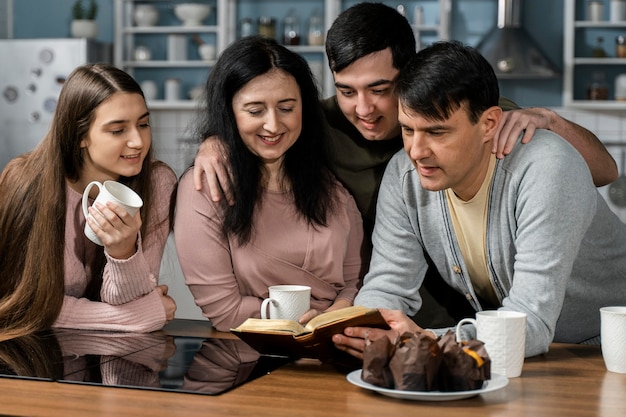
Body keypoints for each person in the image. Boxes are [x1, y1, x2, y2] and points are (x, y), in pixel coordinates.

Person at [191, 3, 617, 326]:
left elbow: (599, 173)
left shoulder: (470, 114)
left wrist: (551, 122)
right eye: (347, 91)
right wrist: (216, 141)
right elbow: (263, 125)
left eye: (381, 89)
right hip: (405, 317)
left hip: (481, 321)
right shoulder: (315, 125)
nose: (364, 108)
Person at [332, 40, 626, 360]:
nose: (416, 152)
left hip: (606, 350)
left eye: (437, 132)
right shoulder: (404, 175)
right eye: (408, 130)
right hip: (516, 353)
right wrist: (358, 329)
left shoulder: (547, 168)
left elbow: (529, 321)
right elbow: (388, 286)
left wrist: (428, 341)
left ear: (488, 124)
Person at [173, 36, 367, 332]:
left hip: (332, 345)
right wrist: (311, 316)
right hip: (246, 358)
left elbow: (355, 282)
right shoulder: (205, 188)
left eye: (287, 108)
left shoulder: (330, 187)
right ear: (230, 111)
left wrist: (338, 311)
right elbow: (224, 312)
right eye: (255, 111)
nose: (273, 126)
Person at [0, 63, 177, 342]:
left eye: (143, 124)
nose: (138, 141)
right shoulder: (25, 183)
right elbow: (25, 305)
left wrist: (123, 251)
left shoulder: (157, 183)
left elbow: (134, 298)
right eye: (118, 130)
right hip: (33, 356)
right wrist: (141, 317)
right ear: (80, 135)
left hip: (112, 357)